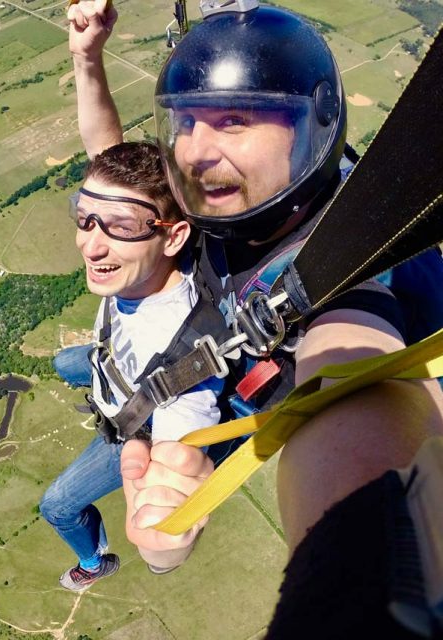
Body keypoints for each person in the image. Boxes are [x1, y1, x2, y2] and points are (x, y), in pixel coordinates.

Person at [65, 0, 443, 600]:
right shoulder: (232, 204)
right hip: (203, 341)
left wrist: (362, 595)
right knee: (74, 363)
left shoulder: (347, 263)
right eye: (186, 122)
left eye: (235, 120)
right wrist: (87, 59)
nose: (194, 151)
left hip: (230, 384)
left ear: (308, 126)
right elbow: (119, 187)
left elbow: (357, 381)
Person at [39, 141, 223, 591]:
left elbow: (174, 464)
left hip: (133, 424)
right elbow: (102, 145)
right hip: (116, 367)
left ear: (174, 235)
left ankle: (94, 561)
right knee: (64, 363)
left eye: (119, 227)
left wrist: (163, 542)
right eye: (84, 217)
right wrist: (87, 68)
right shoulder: (144, 268)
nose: (90, 244)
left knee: (57, 505)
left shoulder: (185, 364)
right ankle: (95, 381)